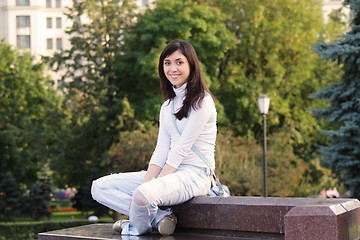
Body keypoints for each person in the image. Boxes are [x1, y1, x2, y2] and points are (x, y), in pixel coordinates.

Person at [91, 40, 217, 236]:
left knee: (143, 195)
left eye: (179, 62)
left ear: (192, 66)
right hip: (171, 171)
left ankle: (132, 227)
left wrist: (147, 190)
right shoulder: (167, 106)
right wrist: (147, 185)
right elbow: (161, 151)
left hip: (195, 174)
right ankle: (159, 218)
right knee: (99, 187)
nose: (172, 68)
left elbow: (181, 149)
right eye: (167, 63)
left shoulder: (202, 101)